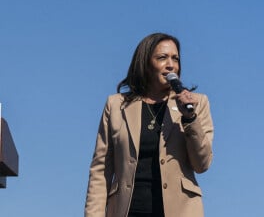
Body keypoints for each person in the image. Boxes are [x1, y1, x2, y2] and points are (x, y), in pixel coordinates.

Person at [85, 33, 214, 217]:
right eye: (162, 58)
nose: (171, 65)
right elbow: (100, 171)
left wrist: (190, 119)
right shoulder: (115, 106)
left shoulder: (197, 103)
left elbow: (202, 164)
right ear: (145, 63)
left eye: (175, 59)